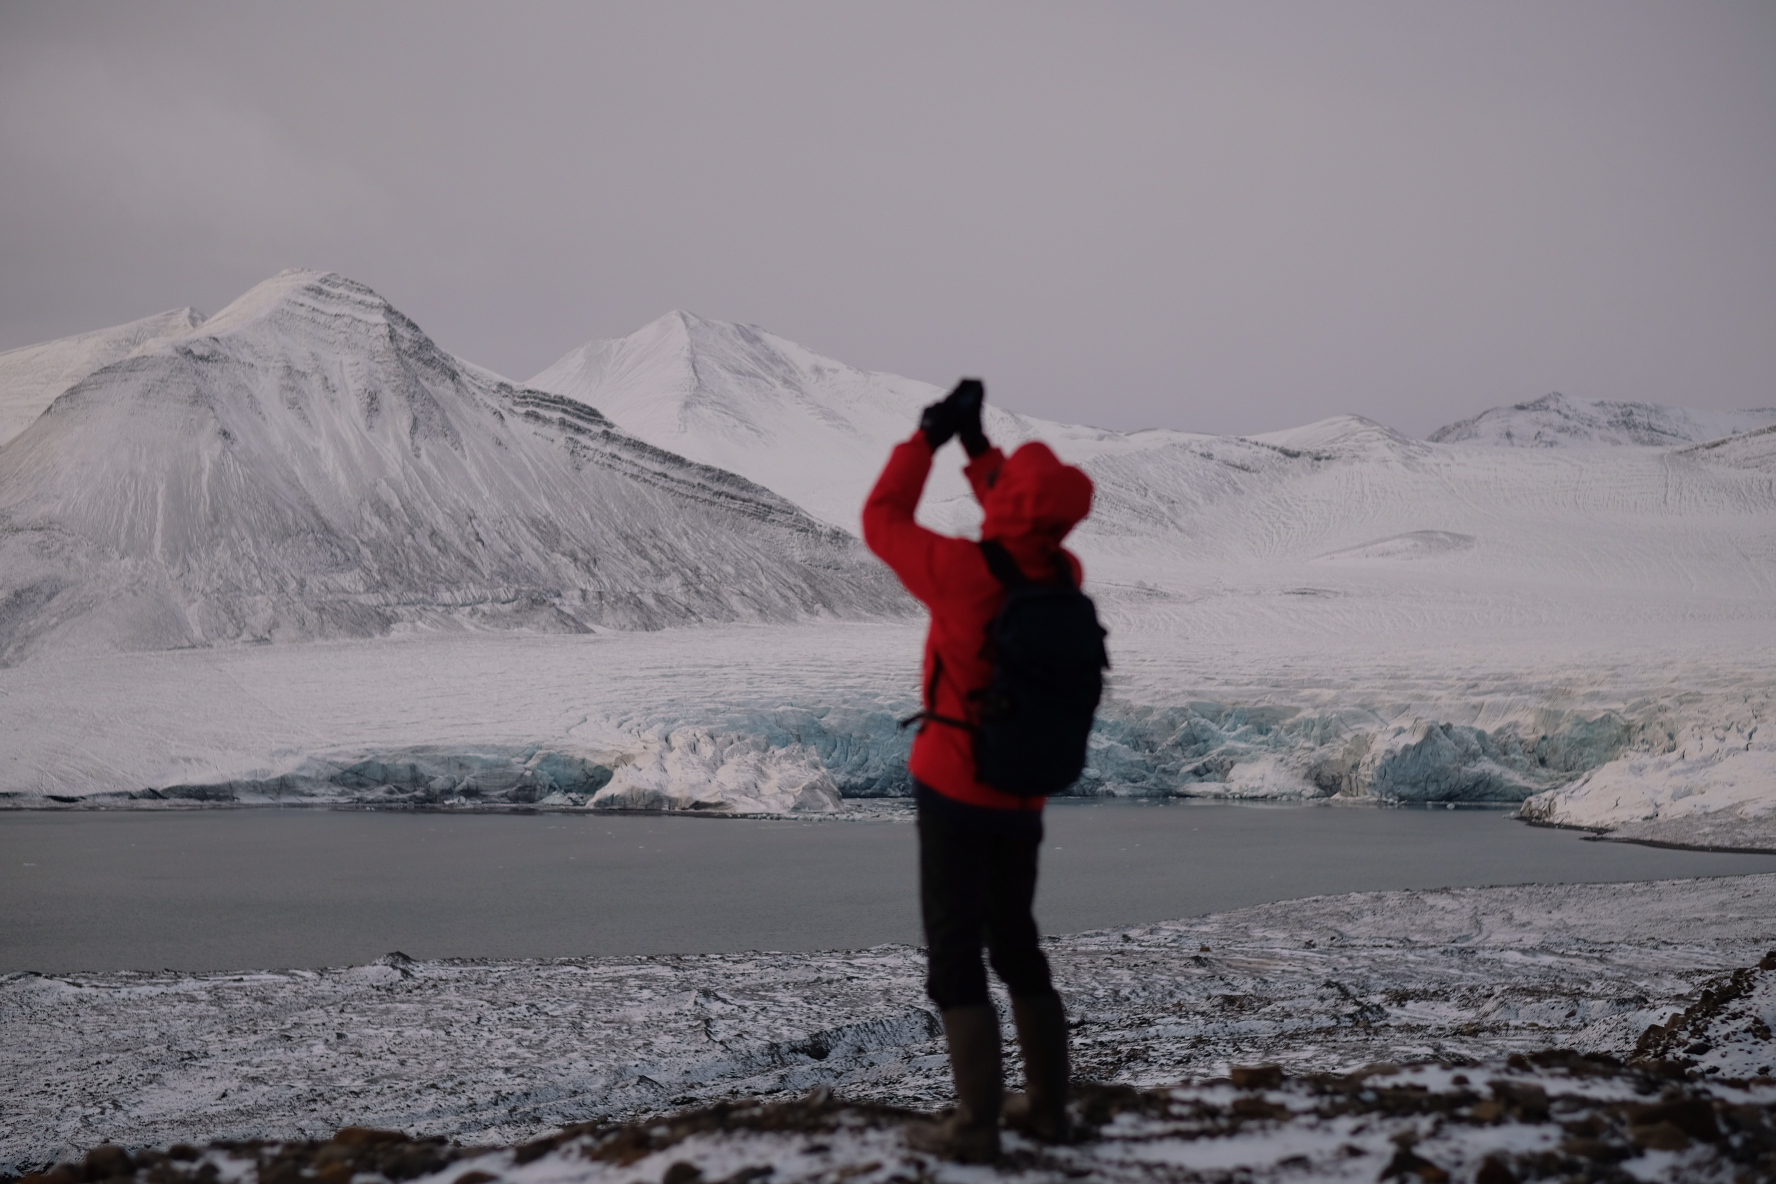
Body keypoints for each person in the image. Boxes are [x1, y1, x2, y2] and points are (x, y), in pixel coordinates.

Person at [861, 378, 1095, 1162]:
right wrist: (977, 447)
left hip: (955, 790)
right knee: (1017, 942)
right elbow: (1020, 513)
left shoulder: (962, 574)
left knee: (955, 952)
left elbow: (882, 519)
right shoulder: (1063, 576)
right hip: (1021, 794)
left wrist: (926, 440)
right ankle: (1051, 1111)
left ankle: (976, 1125)